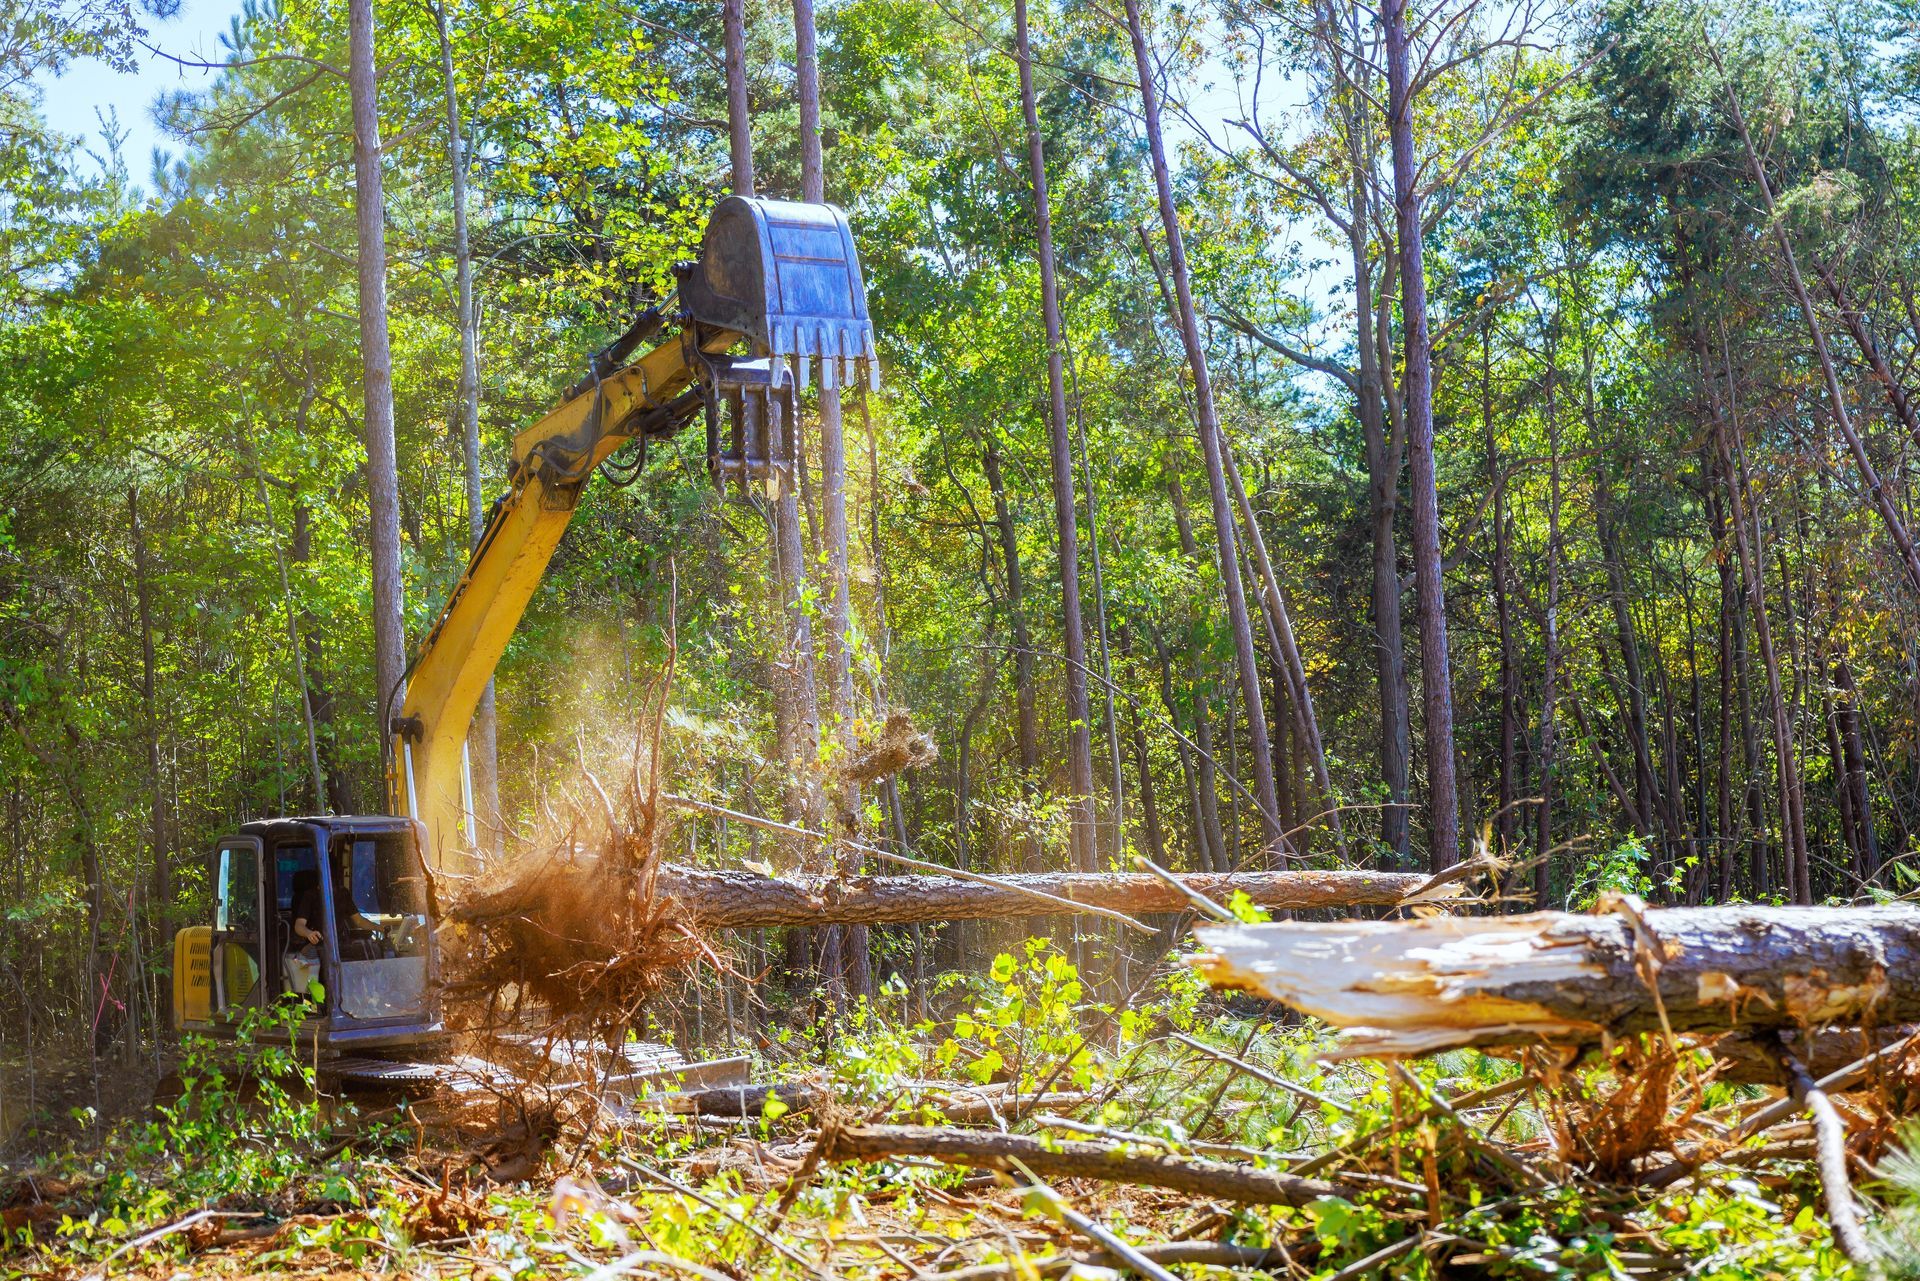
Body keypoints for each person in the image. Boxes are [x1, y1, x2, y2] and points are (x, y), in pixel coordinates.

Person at [285, 868, 325, 997]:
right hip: (309, 945)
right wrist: (309, 934)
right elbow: (299, 925)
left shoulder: (337, 895)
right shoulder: (309, 897)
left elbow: (358, 920)